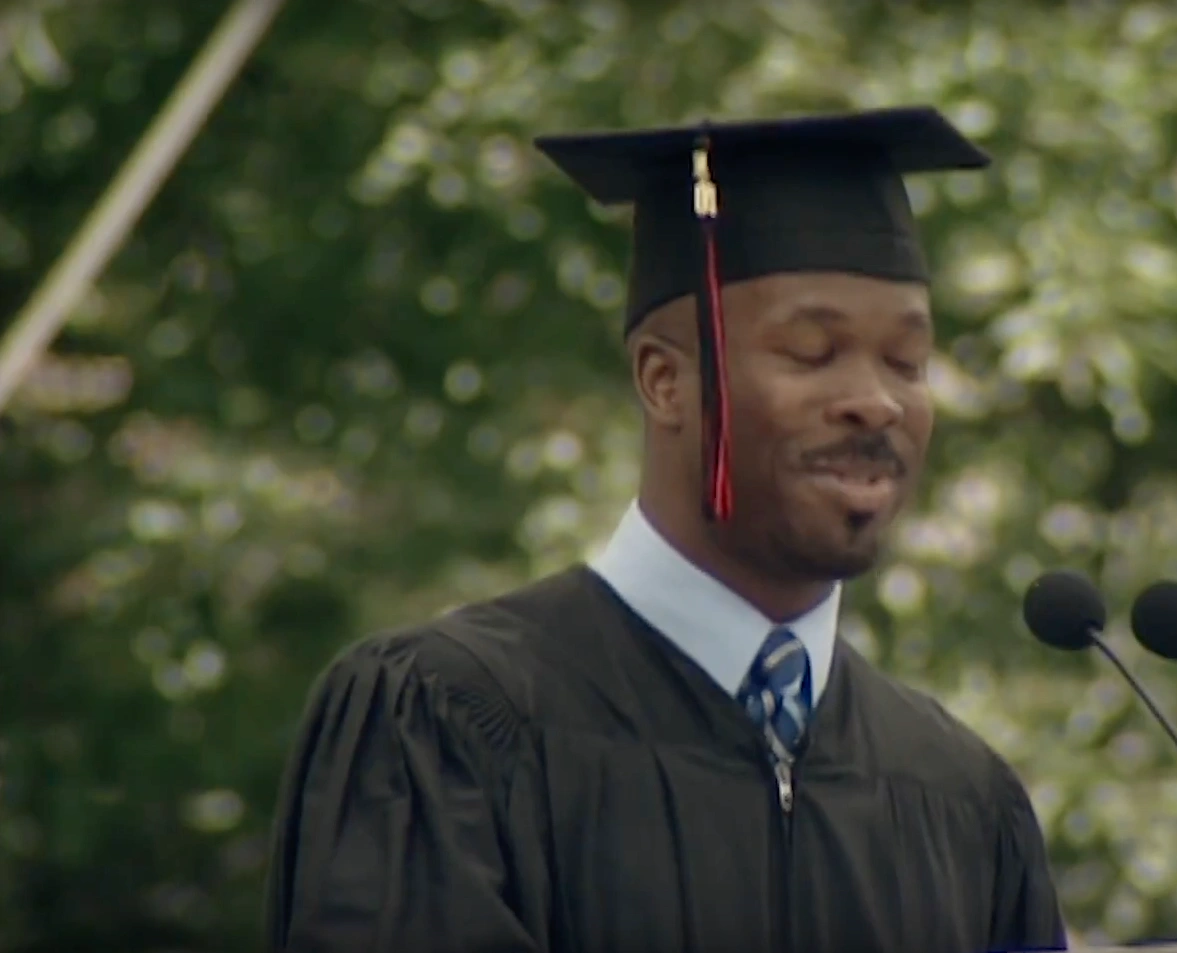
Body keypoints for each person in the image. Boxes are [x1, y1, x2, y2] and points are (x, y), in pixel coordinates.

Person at [263, 106, 1068, 953]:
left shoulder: (960, 797)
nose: (875, 398)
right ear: (663, 381)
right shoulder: (449, 723)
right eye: (810, 351)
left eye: (907, 362)